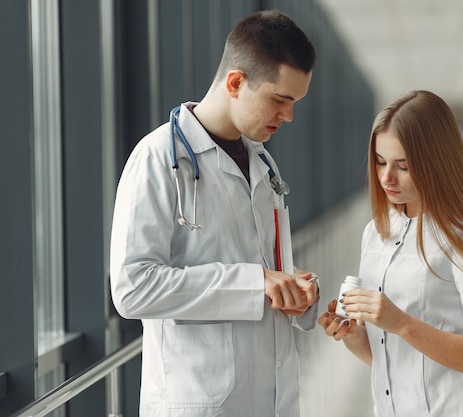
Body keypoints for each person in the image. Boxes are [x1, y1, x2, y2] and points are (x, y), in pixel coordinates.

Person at [110, 10, 319, 417]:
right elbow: (132, 288)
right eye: (280, 99)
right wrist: (253, 283)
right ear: (236, 82)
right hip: (199, 402)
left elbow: (268, 272)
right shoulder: (157, 159)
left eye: (294, 103)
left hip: (272, 400)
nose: (289, 116)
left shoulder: (263, 164)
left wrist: (295, 292)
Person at [318, 90, 463, 417]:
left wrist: (400, 323)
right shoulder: (375, 234)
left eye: (403, 166)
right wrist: (354, 334)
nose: (386, 178)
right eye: (380, 161)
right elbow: (395, 359)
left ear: (437, 163)